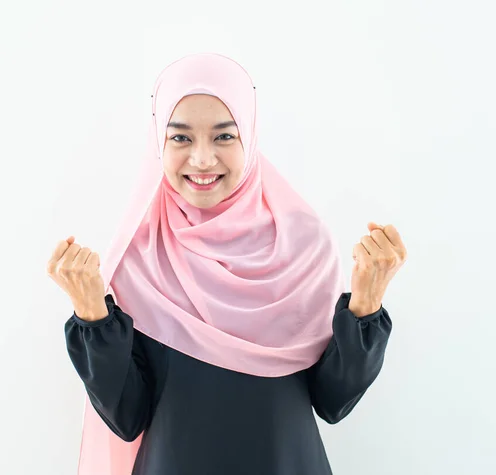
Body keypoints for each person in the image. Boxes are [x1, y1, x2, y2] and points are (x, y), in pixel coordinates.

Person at [46, 53, 407, 475]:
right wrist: (93, 314)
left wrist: (365, 304)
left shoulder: (304, 245)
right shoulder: (140, 254)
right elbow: (127, 418)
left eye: (223, 137)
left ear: (249, 138)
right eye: (180, 138)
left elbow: (332, 402)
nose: (201, 159)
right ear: (158, 144)